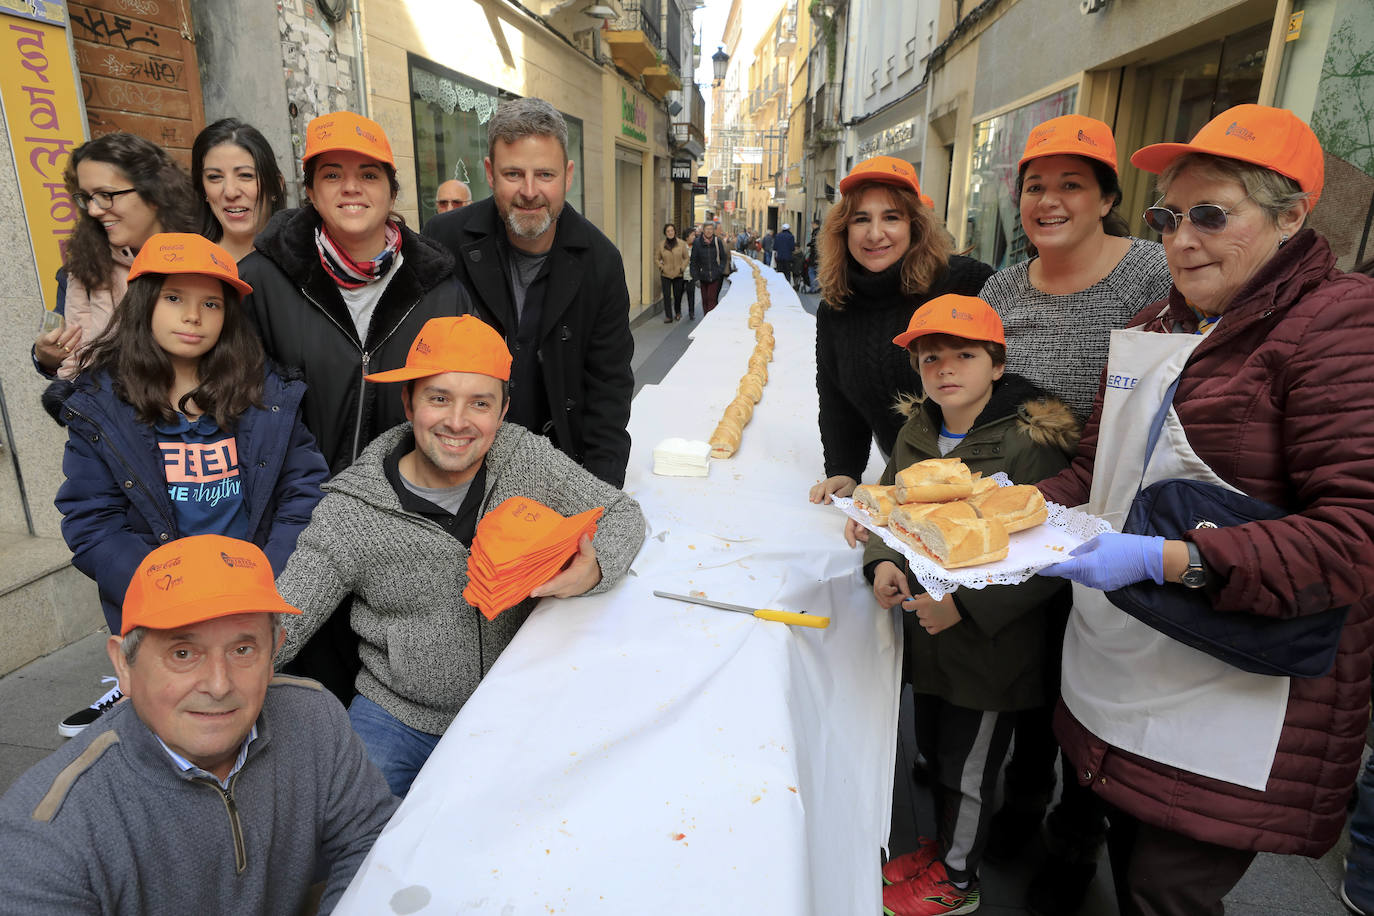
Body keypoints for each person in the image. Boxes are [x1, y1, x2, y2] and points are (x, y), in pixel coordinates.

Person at [1036, 105, 1374, 916]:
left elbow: (1356, 534)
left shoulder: (1340, 323)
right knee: (1113, 845)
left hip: (1233, 685)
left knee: (1164, 890)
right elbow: (1097, 468)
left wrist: (1170, 559)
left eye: (1212, 215)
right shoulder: (1158, 321)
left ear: (1292, 215)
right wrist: (1006, 507)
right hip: (1122, 655)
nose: (1181, 240)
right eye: (1168, 216)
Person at [276, 316, 646, 796]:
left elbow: (621, 513)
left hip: (522, 701)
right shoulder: (351, 511)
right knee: (355, 832)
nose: (457, 421)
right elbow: (284, 621)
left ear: (503, 409)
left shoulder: (523, 459)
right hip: (399, 718)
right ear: (408, 402)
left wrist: (592, 569)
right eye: (439, 398)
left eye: (480, 403)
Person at [974, 114, 1174, 910]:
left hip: (1118, 519)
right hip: (1026, 518)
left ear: (1106, 198)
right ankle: (1021, 805)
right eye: (1035, 186)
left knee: (1093, 694)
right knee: (1032, 677)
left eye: (1070, 185)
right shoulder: (1003, 286)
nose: (1048, 201)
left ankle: (1075, 836)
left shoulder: (1151, 275)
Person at [0, 535, 399, 915]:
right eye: (183, 652)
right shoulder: (47, 833)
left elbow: (371, 839)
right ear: (124, 664)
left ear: (275, 651)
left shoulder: (314, 718)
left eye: (243, 649)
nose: (219, 684)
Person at [47, 232, 327, 737]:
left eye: (211, 304)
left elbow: (303, 492)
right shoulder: (102, 403)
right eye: (174, 298)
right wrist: (168, 589)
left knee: (252, 725)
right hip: (162, 606)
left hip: (248, 594)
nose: (193, 316)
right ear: (145, 304)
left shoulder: (265, 395)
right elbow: (91, 521)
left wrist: (264, 573)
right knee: (174, 735)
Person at [238, 110, 469, 700]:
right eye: (332, 174)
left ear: (392, 192)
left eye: (368, 174)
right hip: (299, 526)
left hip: (403, 525)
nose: (350, 188)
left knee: (397, 695)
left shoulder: (440, 287)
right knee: (304, 692)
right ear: (311, 191)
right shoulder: (261, 281)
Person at [868, 295, 1077, 916]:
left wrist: (964, 607)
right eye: (931, 358)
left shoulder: (1027, 447)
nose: (946, 368)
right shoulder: (917, 430)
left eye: (965, 354)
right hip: (930, 643)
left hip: (991, 652)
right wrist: (882, 562)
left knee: (970, 770)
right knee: (934, 751)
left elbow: (1049, 554)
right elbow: (893, 511)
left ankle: (957, 881)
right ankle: (939, 849)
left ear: (998, 364)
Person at [423, 97, 634, 488]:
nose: (530, 191)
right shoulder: (443, 241)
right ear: (489, 172)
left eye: (546, 175)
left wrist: (597, 502)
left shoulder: (601, 262)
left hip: (559, 471)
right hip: (457, 469)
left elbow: (609, 393)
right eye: (514, 174)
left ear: (568, 176)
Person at [807, 156, 993, 511]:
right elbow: (836, 395)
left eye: (891, 217)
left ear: (914, 225)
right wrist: (845, 468)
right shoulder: (837, 305)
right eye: (861, 219)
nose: (875, 233)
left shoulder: (967, 282)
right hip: (905, 489)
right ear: (843, 230)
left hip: (980, 487)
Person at [34, 133, 198, 380]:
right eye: (87, 197)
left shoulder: (204, 257)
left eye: (105, 195)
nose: (93, 209)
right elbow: (59, 350)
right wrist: (45, 357)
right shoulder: (83, 269)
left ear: (153, 193)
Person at [191, 118, 288, 262]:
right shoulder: (189, 266)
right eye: (214, 177)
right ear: (203, 190)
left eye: (245, 175)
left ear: (275, 187)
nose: (230, 192)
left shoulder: (307, 260)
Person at [691, 221, 730, 315]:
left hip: (715, 275)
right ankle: (706, 318)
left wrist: (719, 270)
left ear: (713, 230)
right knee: (705, 300)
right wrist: (696, 277)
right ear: (703, 230)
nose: (709, 231)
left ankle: (711, 319)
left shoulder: (717, 241)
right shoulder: (697, 242)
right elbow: (693, 261)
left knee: (712, 298)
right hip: (702, 276)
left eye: (711, 229)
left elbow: (723, 258)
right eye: (707, 229)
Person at [655, 223, 688, 323]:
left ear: (675, 232)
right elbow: (656, 258)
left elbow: (686, 257)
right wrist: (661, 267)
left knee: (678, 295)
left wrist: (682, 268)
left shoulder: (681, 244)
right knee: (667, 295)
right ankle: (668, 316)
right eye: (668, 231)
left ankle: (678, 312)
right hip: (666, 274)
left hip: (678, 274)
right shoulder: (661, 245)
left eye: (672, 231)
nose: (670, 233)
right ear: (665, 233)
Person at [681, 226, 700, 320]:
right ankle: (678, 312)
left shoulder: (696, 246)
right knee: (678, 294)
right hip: (681, 273)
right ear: (687, 236)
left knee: (691, 293)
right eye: (692, 235)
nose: (694, 237)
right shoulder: (681, 246)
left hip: (691, 274)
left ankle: (691, 312)